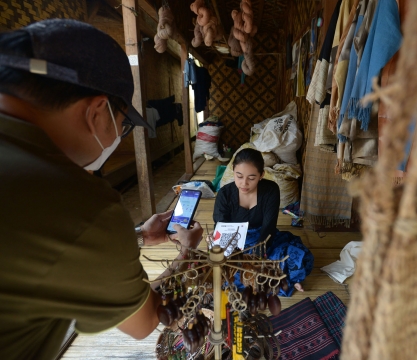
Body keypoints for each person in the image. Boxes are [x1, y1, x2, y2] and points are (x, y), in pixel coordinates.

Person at [0, 19, 203, 360]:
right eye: (123, 125)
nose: (118, 136)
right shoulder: (79, 204)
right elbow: (146, 320)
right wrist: (187, 252)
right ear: (97, 111)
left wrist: (137, 234)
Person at [213, 148, 314, 296]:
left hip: (265, 239)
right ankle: (281, 278)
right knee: (232, 272)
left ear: (261, 175)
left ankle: (288, 276)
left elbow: (269, 226)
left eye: (251, 178)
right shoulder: (224, 194)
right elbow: (221, 226)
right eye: (239, 176)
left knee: (293, 255)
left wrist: (259, 256)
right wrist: (236, 254)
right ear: (233, 171)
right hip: (234, 244)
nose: (244, 183)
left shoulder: (270, 190)